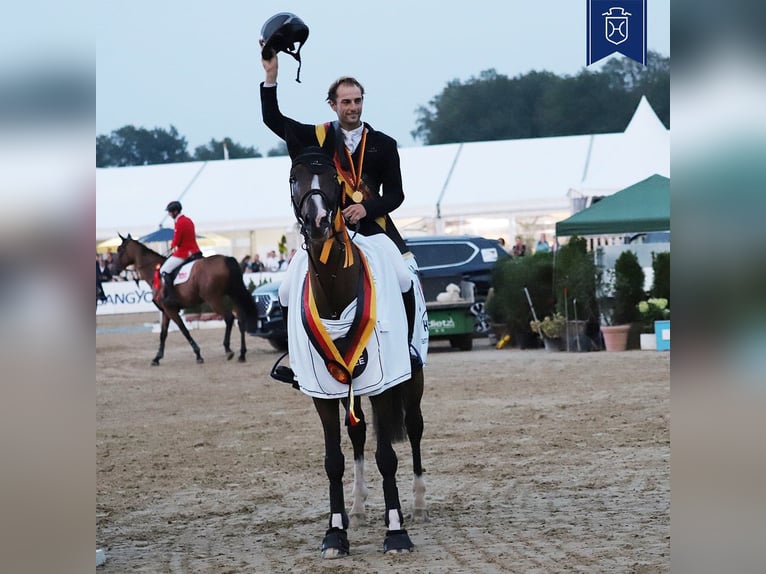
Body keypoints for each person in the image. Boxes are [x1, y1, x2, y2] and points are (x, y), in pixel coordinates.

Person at [260, 49, 427, 368]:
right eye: (346, 102)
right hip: (326, 235)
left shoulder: (383, 144)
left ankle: (407, 348)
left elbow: (396, 194)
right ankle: (296, 359)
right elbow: (273, 120)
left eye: (357, 101)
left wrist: (367, 208)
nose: (353, 107)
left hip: (374, 231)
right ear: (333, 104)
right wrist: (271, 77)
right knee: (284, 290)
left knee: (403, 277)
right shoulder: (316, 138)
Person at [159, 201, 201, 304]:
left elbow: (176, 241)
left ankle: (171, 297)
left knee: (164, 270)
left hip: (184, 252)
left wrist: (172, 244)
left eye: (170, 212)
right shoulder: (189, 220)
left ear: (175, 211)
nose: (169, 214)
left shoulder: (179, 222)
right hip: (195, 251)